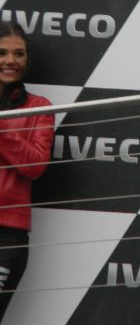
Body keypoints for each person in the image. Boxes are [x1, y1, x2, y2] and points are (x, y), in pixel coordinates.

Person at [0, 21, 54, 320]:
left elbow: (35, 165)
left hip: (7, 234)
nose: (11, 60)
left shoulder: (39, 107)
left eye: (19, 54)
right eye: (2, 52)